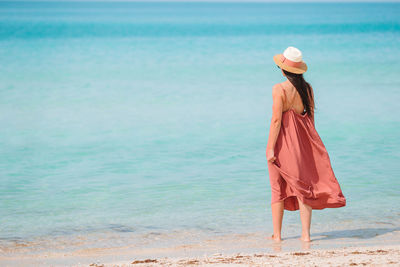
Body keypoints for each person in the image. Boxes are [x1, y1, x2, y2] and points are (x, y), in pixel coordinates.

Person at [266, 46, 346, 242]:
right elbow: (310, 120)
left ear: (284, 69)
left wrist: (270, 148)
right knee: (303, 187)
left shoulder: (279, 89)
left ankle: (277, 236)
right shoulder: (307, 89)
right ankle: (306, 235)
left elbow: (276, 120)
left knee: (277, 187)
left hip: (283, 144)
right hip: (302, 144)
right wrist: (311, 146)